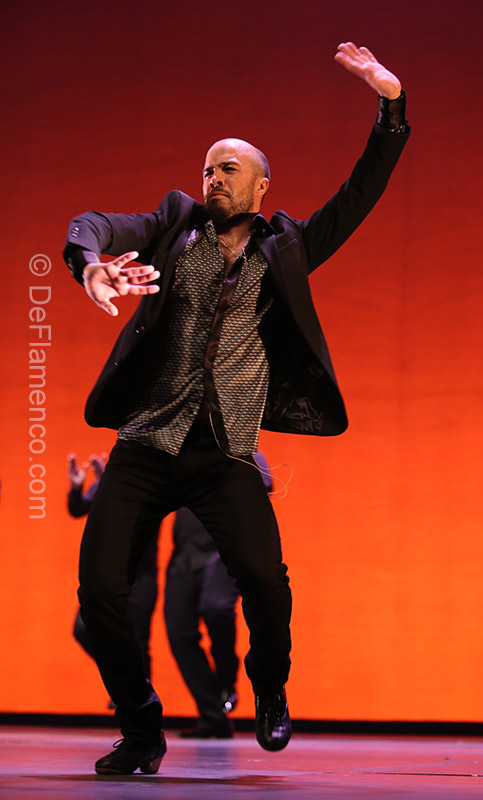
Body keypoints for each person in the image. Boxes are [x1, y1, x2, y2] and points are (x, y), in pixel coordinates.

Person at [63, 42, 410, 774]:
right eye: (207, 169)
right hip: (146, 443)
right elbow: (95, 222)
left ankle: (270, 690)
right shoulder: (173, 223)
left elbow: (360, 193)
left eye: (227, 169)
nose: (212, 178)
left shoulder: (286, 248)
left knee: (265, 585)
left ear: (259, 186)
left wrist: (389, 106)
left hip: (223, 453)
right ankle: (141, 727)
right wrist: (89, 264)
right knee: (99, 591)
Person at [165, 451, 272, 740]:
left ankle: (226, 681)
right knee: (178, 633)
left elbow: (264, 484)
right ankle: (212, 717)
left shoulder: (239, 446)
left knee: (216, 608)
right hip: (184, 556)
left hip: (222, 550)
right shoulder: (179, 449)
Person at [67, 453, 158, 686]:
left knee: (138, 640)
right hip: (108, 573)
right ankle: (126, 684)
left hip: (140, 577)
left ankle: (140, 699)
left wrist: (112, 491)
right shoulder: (109, 481)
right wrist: (77, 488)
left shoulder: (154, 482)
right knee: (83, 628)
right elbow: (78, 508)